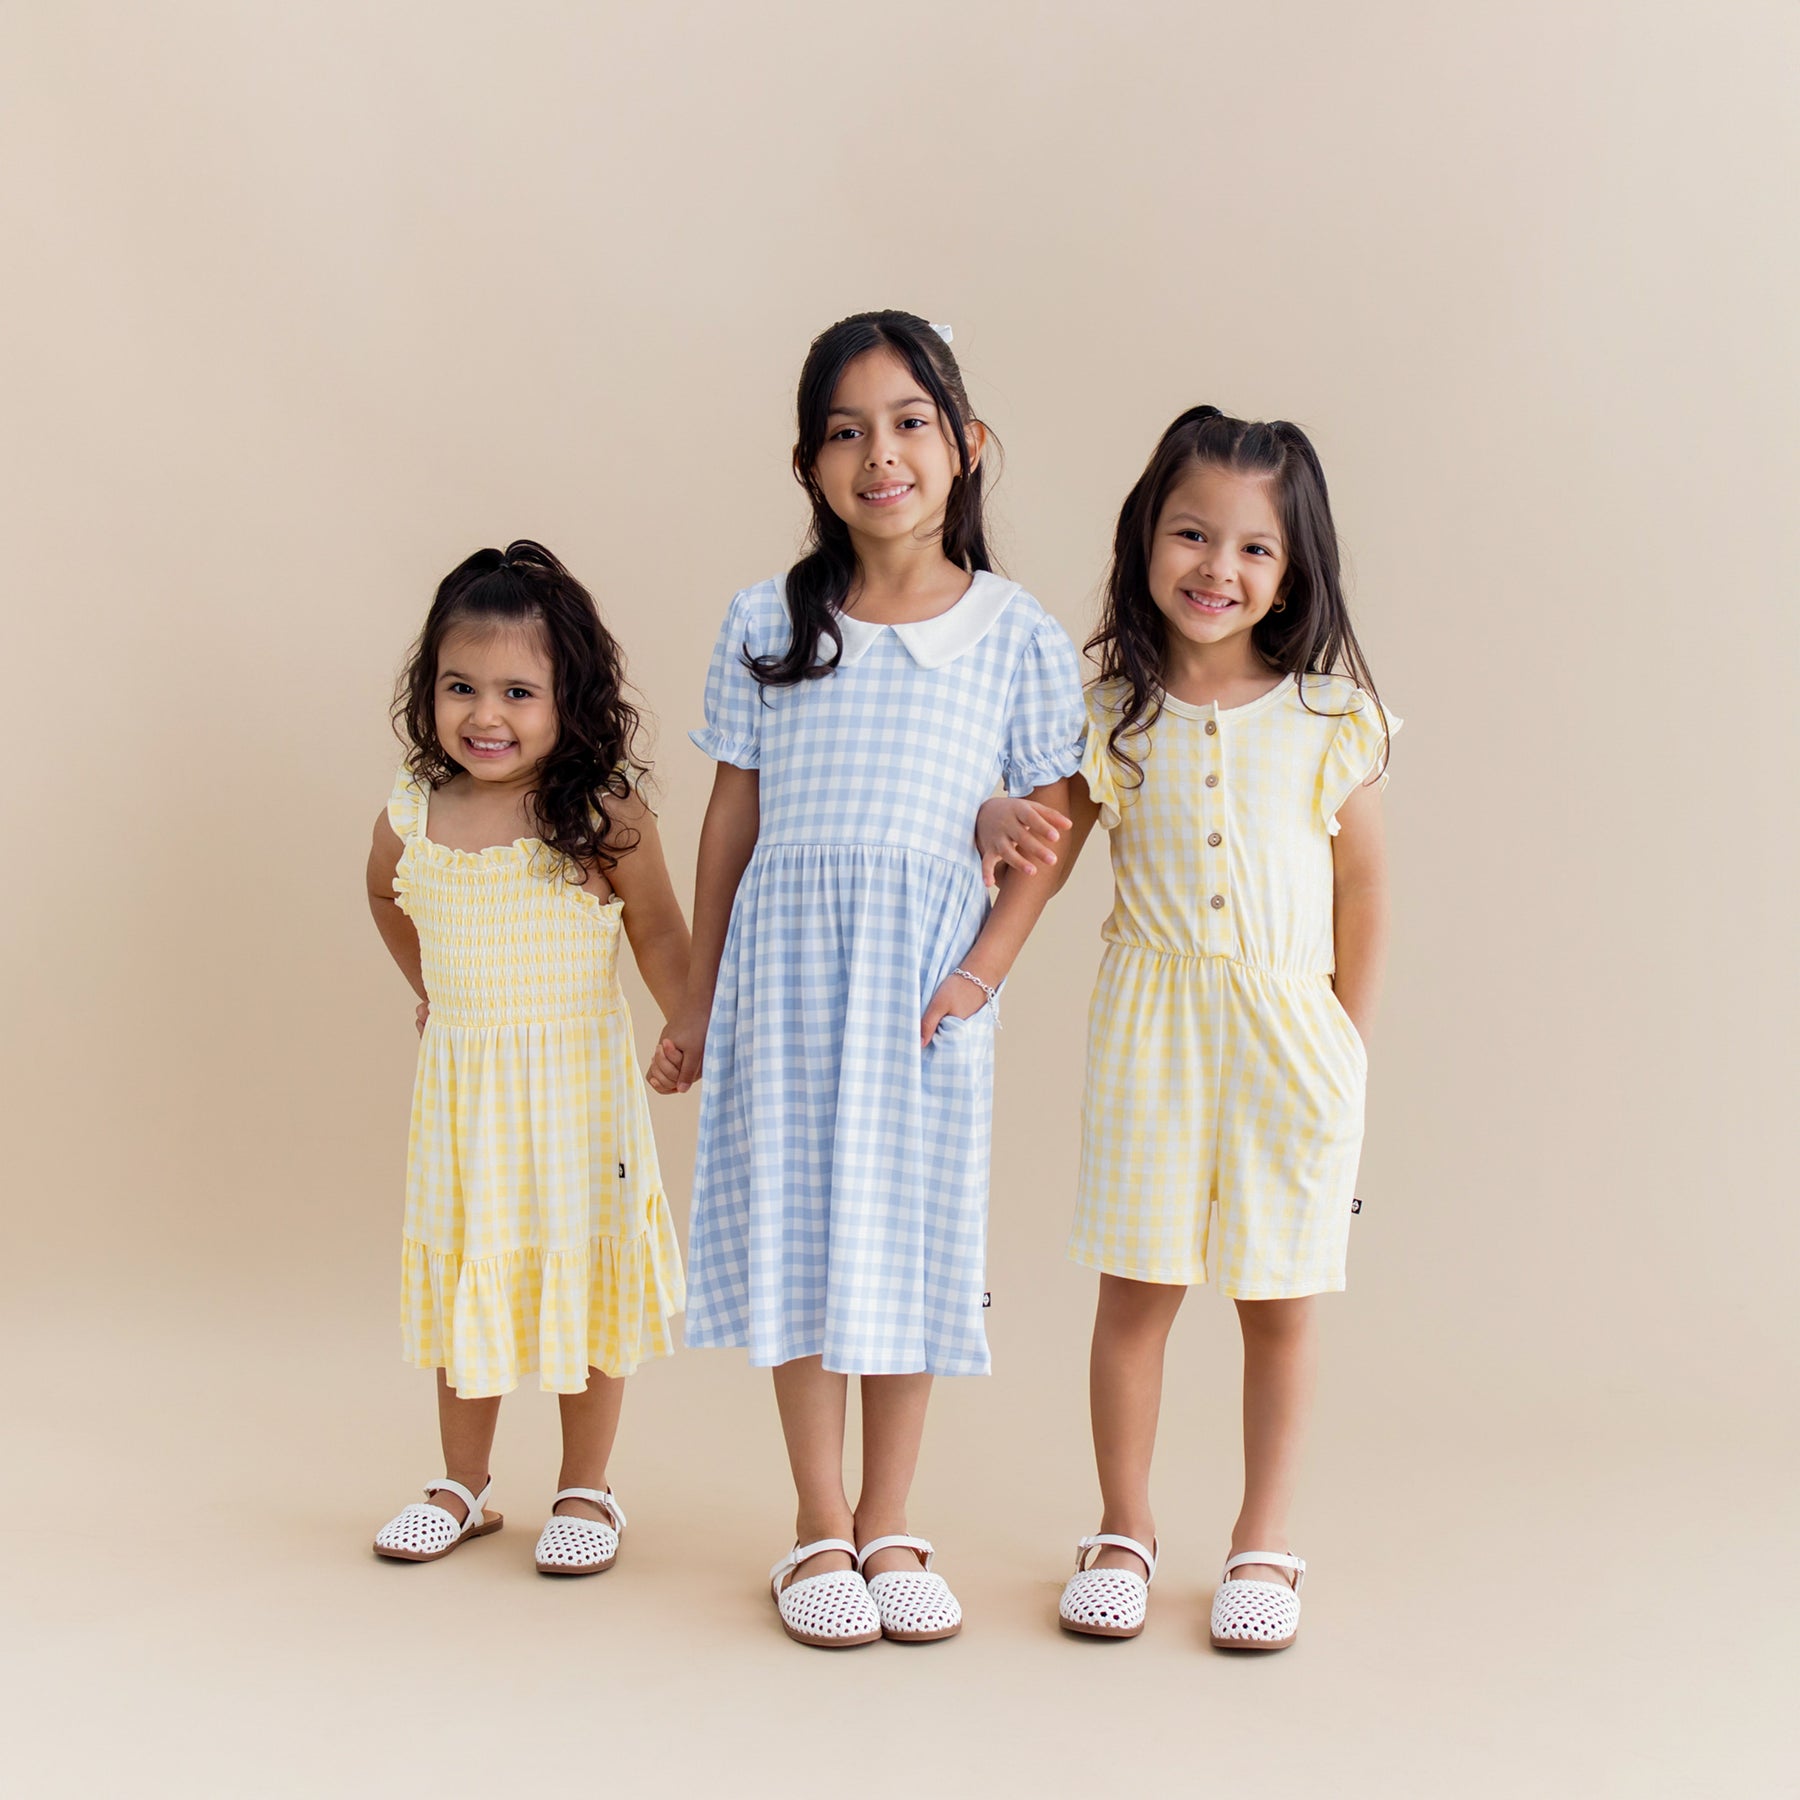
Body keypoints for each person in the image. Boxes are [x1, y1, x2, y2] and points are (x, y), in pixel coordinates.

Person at [653, 313, 1086, 1647]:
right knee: (796, 1230)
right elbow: (731, 819)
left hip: (920, 991)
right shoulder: (766, 622)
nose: (879, 454)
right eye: (845, 432)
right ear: (810, 464)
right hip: (785, 974)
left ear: (966, 445)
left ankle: (891, 1518)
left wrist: (982, 972)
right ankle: (818, 1521)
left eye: (908, 423)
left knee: (907, 1239)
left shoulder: (1014, 632)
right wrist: (697, 995)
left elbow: (1052, 822)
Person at [979, 407, 1400, 1650]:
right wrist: (979, 957)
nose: (1219, 568)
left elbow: (1365, 891)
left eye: (1254, 548)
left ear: (1293, 569)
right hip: (1149, 1037)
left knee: (1280, 1305)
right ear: (1146, 539)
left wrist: (1346, 1045)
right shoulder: (1110, 711)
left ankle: (1263, 1540)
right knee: (1137, 1292)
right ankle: (1123, 1528)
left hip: (1290, 1039)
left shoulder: (1330, 716)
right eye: (1193, 535)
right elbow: (1041, 865)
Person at [367, 541, 689, 1578]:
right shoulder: (414, 814)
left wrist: (686, 1024)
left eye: (518, 692)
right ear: (429, 692)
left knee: (583, 1279)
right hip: (466, 1106)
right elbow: (385, 895)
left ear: (570, 699)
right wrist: (431, 985)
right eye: (460, 687)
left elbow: (660, 931)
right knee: (470, 1278)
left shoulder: (600, 814)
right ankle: (462, 1483)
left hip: (577, 1099)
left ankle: (587, 1486)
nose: (485, 715)